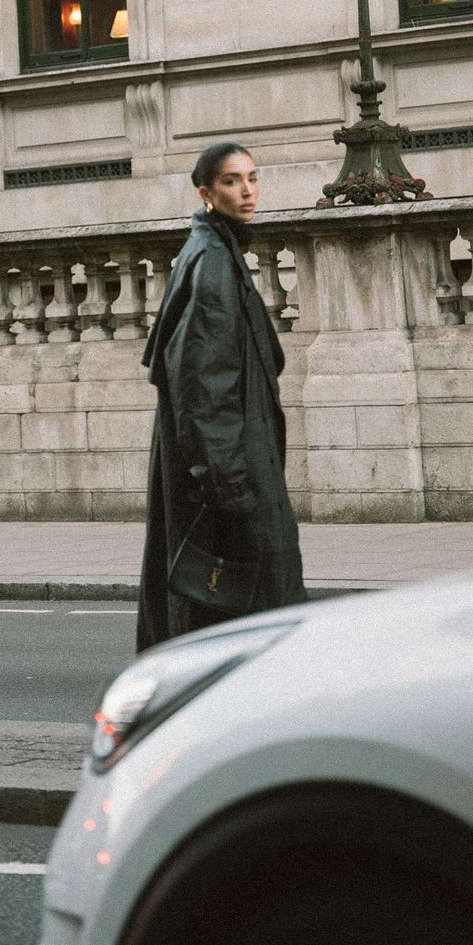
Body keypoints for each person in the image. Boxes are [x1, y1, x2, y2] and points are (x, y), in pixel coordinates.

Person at [136, 142, 307, 652]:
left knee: (222, 606)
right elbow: (205, 389)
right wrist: (231, 492)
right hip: (232, 472)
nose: (247, 190)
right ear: (206, 193)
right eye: (232, 181)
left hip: (231, 464)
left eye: (252, 178)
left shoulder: (214, 252)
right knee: (245, 604)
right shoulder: (212, 264)